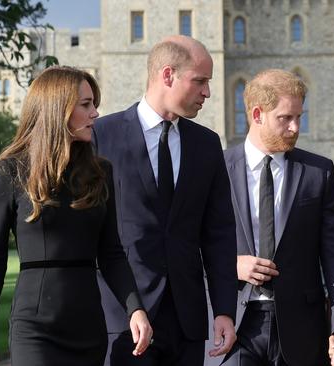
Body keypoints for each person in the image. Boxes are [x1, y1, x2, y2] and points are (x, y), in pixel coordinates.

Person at [0, 66, 152, 366]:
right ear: (58, 109)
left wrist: (135, 309)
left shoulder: (100, 173)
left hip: (89, 325)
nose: (95, 113)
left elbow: (111, 254)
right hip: (35, 329)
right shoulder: (9, 172)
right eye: (85, 104)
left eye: (94, 103)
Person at [92, 35, 238, 366]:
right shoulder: (103, 136)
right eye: (200, 81)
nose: (208, 93)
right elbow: (89, 230)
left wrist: (225, 310)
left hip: (187, 320)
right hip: (122, 316)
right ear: (168, 75)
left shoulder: (206, 144)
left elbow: (219, 235)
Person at [217, 69, 334, 366]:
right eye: (285, 118)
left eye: (299, 117)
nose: (295, 127)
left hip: (301, 328)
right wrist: (231, 263)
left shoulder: (320, 172)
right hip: (233, 324)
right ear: (257, 114)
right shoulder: (216, 169)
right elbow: (189, 242)